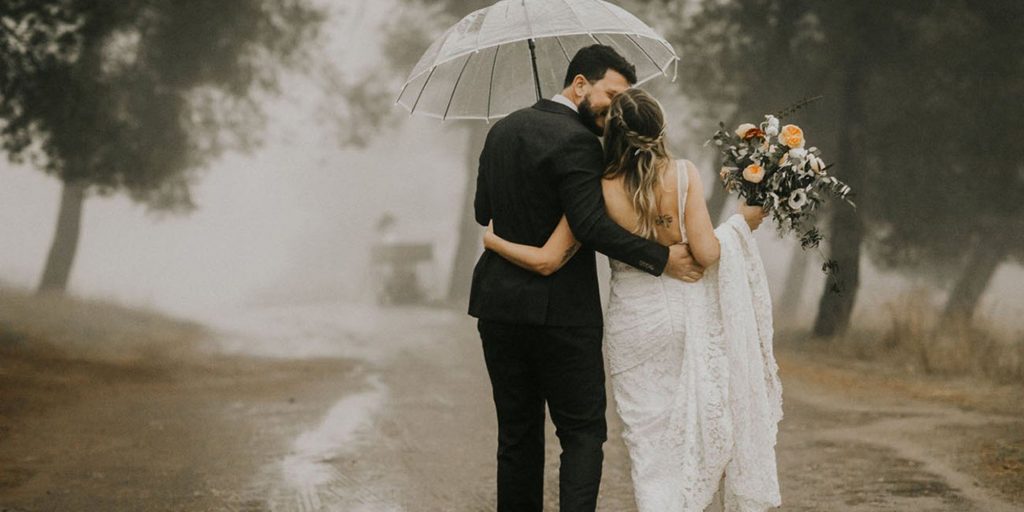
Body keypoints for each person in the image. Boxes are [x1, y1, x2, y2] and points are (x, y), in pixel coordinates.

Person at [483, 87, 784, 511]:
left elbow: (553, 254)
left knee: (646, 441)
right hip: (680, 313)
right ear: (660, 129)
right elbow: (708, 254)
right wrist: (739, 224)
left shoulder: (598, 189)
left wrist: (494, 241)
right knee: (689, 424)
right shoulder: (683, 175)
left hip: (634, 326)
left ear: (612, 132)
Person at [469, 45, 705, 512]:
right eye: (612, 95)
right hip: (561, 314)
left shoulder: (501, 131)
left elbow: (482, 211)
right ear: (580, 84)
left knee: (517, 434)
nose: (616, 109)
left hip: (498, 307)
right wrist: (662, 258)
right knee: (582, 434)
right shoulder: (578, 143)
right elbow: (593, 225)